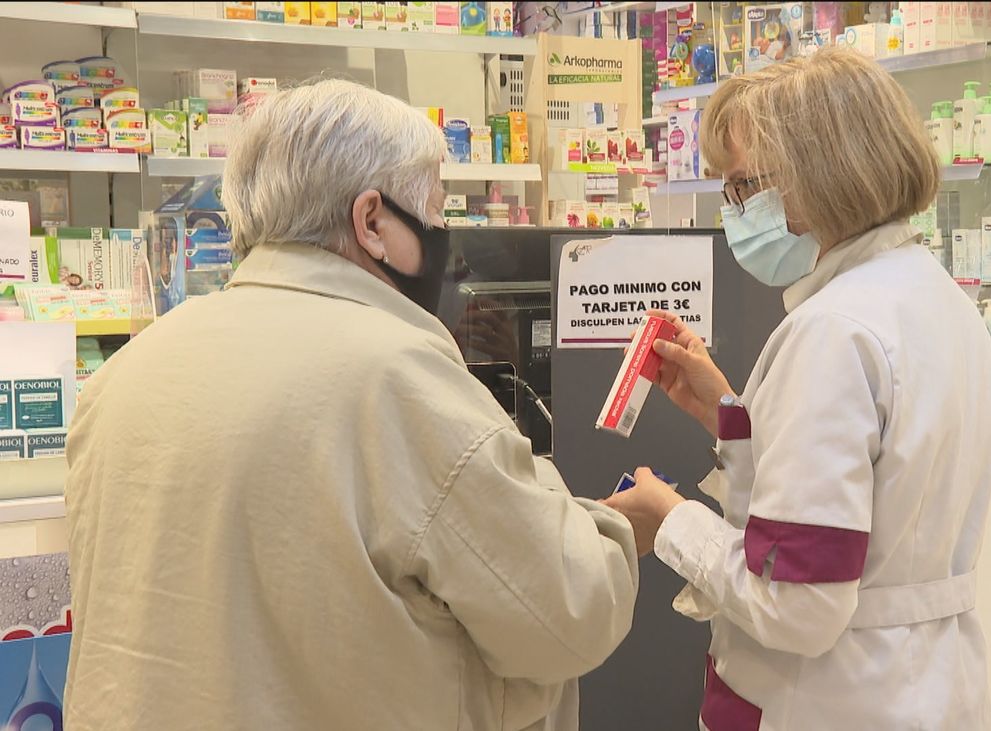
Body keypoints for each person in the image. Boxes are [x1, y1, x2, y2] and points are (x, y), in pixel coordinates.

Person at [64, 79, 638, 731]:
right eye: (437, 210)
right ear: (373, 222)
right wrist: (615, 529)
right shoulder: (398, 378)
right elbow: (568, 615)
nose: (444, 234)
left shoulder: (129, 370)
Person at [605, 46, 991, 730]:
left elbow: (798, 603)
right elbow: (868, 496)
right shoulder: (934, 298)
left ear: (819, 173)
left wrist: (668, 518)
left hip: (828, 699)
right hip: (927, 686)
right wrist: (732, 418)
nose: (733, 211)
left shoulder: (834, 329)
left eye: (741, 189)